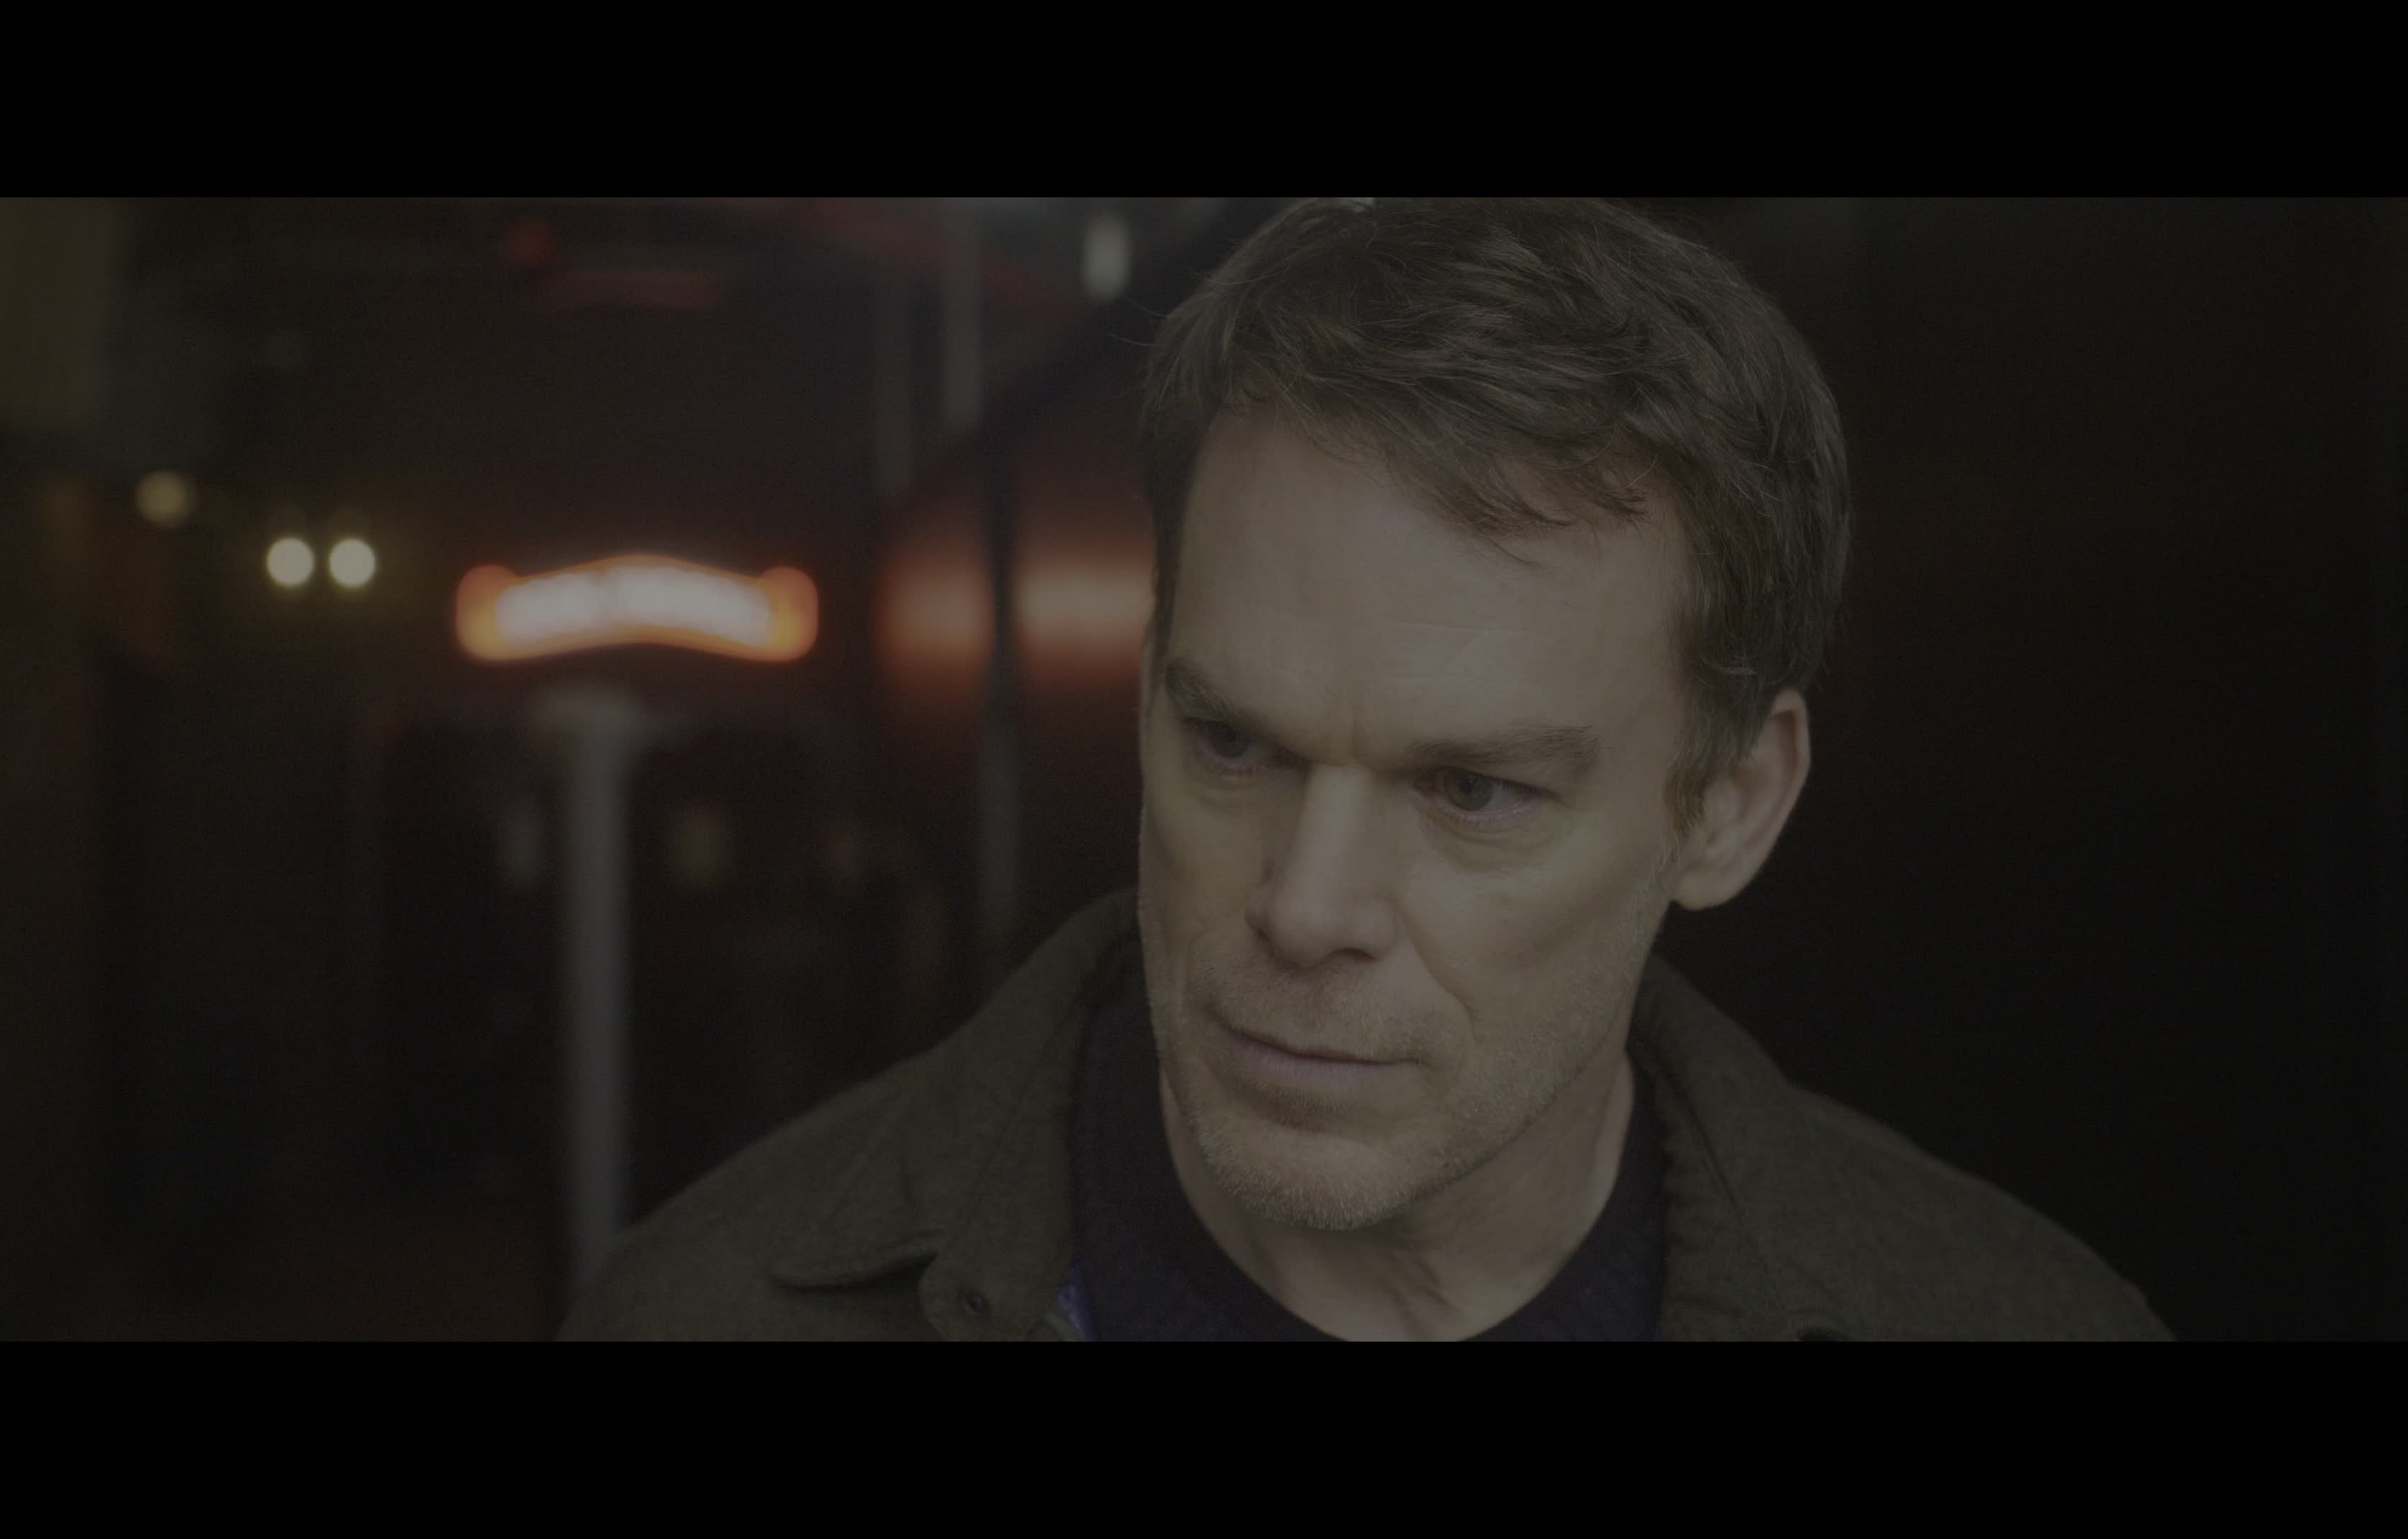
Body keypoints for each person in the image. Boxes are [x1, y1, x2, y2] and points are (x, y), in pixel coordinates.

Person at [560, 198, 2171, 1341]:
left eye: (1473, 792)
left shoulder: (2011, 1319)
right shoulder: (710, 1309)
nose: (1304, 907)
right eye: (1233, 742)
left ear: (1733, 804)